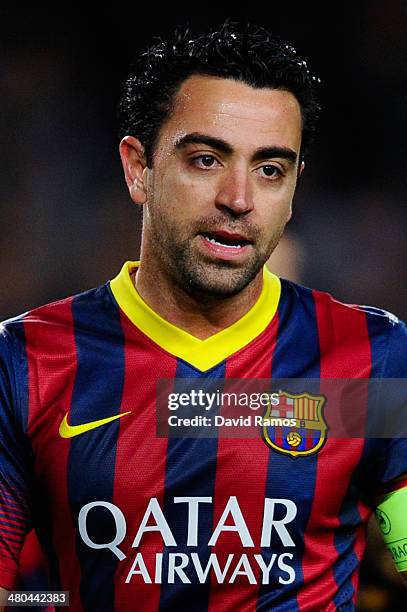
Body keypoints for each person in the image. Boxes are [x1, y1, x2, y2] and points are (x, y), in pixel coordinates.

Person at [0, 20, 406, 611]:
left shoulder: (368, 358)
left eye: (270, 169)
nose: (238, 199)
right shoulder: (28, 362)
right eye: (206, 160)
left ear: (294, 189)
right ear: (139, 167)